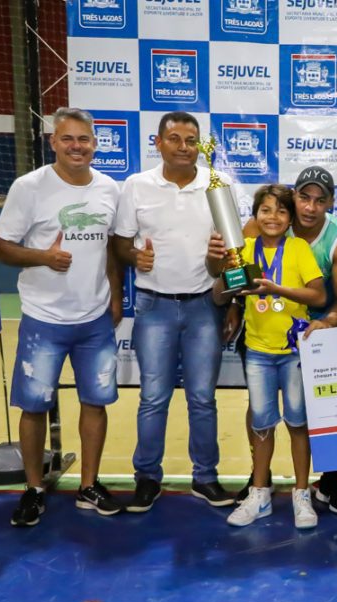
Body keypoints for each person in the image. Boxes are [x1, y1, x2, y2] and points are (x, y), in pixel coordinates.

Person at [0, 107, 123, 527]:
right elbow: (0, 246)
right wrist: (42, 257)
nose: (76, 147)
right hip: (43, 319)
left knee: (95, 404)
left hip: (94, 320)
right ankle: (33, 489)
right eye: (67, 139)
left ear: (95, 144)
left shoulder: (109, 189)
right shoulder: (29, 187)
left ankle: (88, 484)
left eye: (83, 139)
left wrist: (115, 297)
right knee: (33, 407)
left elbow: (112, 249)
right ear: (53, 142)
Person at [218, 166, 337, 514]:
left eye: (320, 200)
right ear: (293, 197)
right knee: (261, 413)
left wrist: (324, 324)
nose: (309, 207)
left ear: (330, 204)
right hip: (262, 336)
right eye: (303, 198)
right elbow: (233, 281)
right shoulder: (259, 228)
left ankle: (323, 483)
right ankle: (259, 482)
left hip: (315, 336)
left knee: (312, 415)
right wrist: (234, 303)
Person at [113, 111, 234, 513]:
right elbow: (120, 244)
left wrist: (229, 301)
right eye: (175, 138)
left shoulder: (218, 185)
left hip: (204, 307)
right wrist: (134, 258)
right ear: (159, 143)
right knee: (153, 398)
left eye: (191, 139)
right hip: (154, 307)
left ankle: (206, 478)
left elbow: (232, 255)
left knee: (203, 399)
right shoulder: (136, 186)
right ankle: (147, 478)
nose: (184, 146)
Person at [216, 185, 326, 529]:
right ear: (255, 215)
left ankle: (301, 493)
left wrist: (276, 289)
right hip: (259, 354)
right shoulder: (243, 250)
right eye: (265, 210)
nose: (273, 218)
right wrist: (219, 263)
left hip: (293, 353)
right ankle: (260, 493)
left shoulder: (298, 248)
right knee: (262, 425)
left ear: (291, 218)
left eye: (281, 211)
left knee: (297, 423)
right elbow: (220, 295)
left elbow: (318, 294)